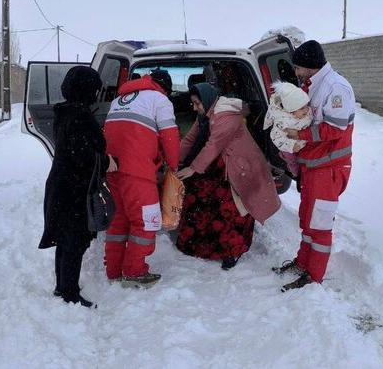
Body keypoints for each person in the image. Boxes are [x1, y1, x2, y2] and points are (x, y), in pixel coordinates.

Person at [274, 40, 356, 291]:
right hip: (313, 166)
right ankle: (303, 262)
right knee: (308, 220)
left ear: (309, 66)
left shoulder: (336, 87)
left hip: (329, 169)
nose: (296, 73)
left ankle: (314, 275)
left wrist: (300, 135)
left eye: (298, 68)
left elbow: (335, 128)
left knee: (319, 225)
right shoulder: (312, 85)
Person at [177, 82, 281, 270]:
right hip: (219, 164)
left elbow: (214, 145)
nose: (194, 107)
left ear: (206, 100)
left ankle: (232, 251)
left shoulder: (226, 115)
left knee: (232, 209)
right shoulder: (206, 114)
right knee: (199, 200)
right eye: (192, 103)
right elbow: (190, 139)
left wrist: (192, 168)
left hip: (239, 167)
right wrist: (174, 159)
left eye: (196, 103)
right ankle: (200, 245)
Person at [40, 66, 116, 308]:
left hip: (62, 184)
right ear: (85, 89)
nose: (97, 93)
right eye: (94, 89)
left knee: (65, 239)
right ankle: (69, 293)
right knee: (74, 241)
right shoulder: (80, 117)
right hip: (74, 188)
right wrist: (107, 161)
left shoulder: (65, 112)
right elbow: (82, 156)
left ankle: (62, 286)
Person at [103, 70, 180, 288]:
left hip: (112, 168)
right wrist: (173, 167)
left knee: (119, 219)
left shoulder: (118, 100)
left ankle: (114, 270)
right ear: (164, 87)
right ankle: (134, 272)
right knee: (146, 221)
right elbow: (170, 136)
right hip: (137, 169)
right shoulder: (160, 99)